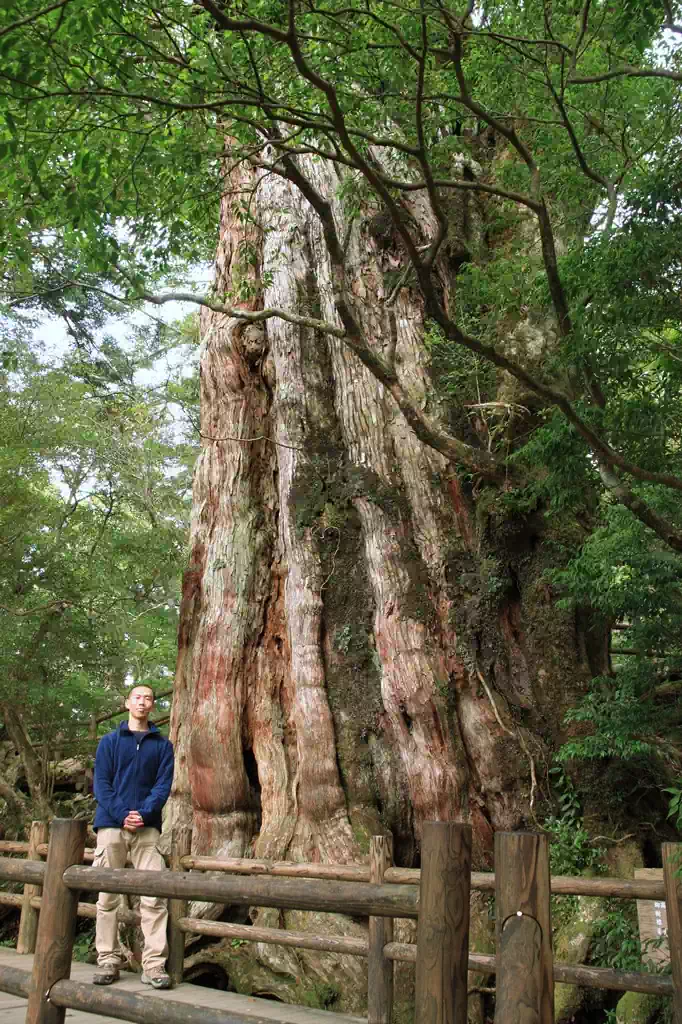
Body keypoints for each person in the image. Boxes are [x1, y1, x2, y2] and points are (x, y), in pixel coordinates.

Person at [92, 683, 175, 989]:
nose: (142, 702)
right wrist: (122, 814)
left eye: (148, 698)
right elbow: (101, 783)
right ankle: (108, 961)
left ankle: (154, 966)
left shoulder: (162, 746)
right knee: (107, 897)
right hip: (111, 827)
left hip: (147, 829)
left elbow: (162, 786)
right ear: (127, 702)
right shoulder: (110, 741)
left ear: (153, 705)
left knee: (154, 897)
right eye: (137, 697)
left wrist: (142, 813)